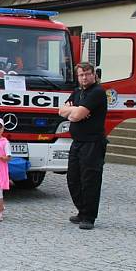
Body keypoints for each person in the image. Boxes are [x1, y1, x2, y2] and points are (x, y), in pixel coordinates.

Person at [58, 62, 108, 230]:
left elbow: (76, 115)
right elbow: (61, 111)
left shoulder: (98, 92)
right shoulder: (78, 92)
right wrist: (74, 112)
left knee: (90, 180)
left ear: (94, 75)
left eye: (87, 74)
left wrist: (74, 112)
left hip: (93, 143)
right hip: (77, 142)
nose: (84, 77)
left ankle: (89, 216)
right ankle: (81, 210)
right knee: (73, 178)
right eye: (81, 75)